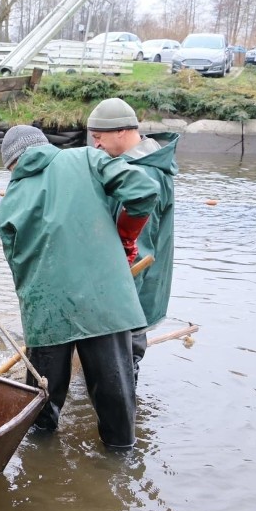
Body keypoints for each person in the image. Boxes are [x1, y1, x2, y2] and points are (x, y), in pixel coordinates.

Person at [0, 125, 159, 449]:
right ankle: (121, 464)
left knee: (40, 408)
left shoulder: (9, 203)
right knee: (116, 400)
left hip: (46, 313)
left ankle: (39, 464)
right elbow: (144, 191)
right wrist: (125, 236)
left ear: (12, 164)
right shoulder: (87, 158)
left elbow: (18, 270)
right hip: (105, 304)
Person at [87, 98, 179, 385]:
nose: (97, 146)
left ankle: (127, 418)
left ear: (122, 132)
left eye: (99, 138)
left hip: (132, 294)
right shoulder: (137, 163)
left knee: (123, 366)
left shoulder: (145, 174)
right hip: (127, 292)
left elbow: (142, 248)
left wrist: (119, 301)